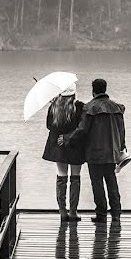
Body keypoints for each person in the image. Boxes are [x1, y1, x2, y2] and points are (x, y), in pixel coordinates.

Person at [59, 78, 125, 222]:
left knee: (97, 183)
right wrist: (122, 148)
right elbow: (121, 131)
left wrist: (67, 139)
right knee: (112, 182)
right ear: (105, 89)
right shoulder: (116, 108)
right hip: (111, 152)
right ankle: (116, 214)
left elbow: (82, 130)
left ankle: (101, 215)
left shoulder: (90, 108)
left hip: (94, 152)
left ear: (93, 90)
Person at [42, 83, 85, 221]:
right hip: (75, 146)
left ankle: (62, 212)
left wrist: (54, 104)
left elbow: (49, 126)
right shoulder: (79, 107)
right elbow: (82, 127)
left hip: (59, 146)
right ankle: (73, 212)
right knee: (75, 178)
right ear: (73, 94)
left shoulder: (54, 107)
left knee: (61, 177)